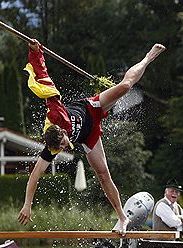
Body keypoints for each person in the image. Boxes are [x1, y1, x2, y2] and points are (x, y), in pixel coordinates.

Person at [18, 38, 166, 234]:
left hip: (92, 109)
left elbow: (43, 76)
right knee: (103, 175)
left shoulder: (56, 112)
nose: (64, 147)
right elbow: (34, 176)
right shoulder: (51, 146)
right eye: (61, 147)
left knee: (125, 86)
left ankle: (147, 58)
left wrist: (35, 52)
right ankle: (122, 218)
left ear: (62, 131)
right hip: (89, 136)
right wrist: (27, 205)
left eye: (63, 143)